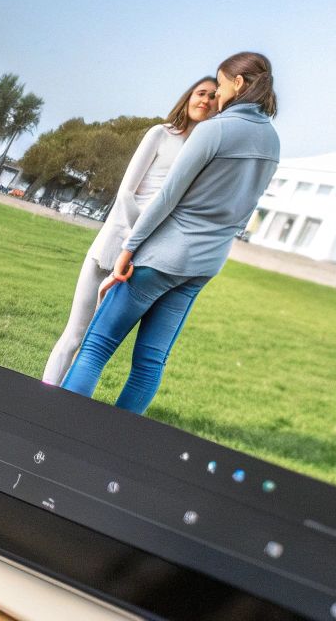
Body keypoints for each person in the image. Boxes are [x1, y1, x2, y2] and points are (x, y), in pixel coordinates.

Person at [59, 52, 281, 414]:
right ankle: (113, 439)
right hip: (203, 267)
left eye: (221, 84)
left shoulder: (215, 129)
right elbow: (245, 212)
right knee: (150, 363)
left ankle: (56, 425)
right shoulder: (272, 142)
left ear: (238, 83)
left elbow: (167, 197)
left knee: (97, 347)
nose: (217, 94)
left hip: (159, 259)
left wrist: (128, 249)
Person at [42, 76, 219, 383]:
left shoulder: (205, 153)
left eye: (214, 96)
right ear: (188, 97)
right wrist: (136, 236)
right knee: (74, 335)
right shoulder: (160, 134)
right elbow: (126, 192)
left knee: (93, 346)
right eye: (201, 93)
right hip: (114, 246)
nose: (205, 100)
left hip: (147, 259)